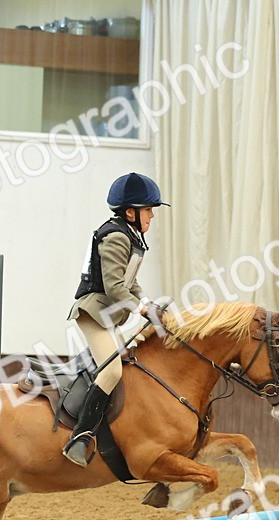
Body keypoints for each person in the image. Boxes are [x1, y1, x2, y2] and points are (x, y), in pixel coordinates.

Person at [62, 172, 168, 467]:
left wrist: (147, 302)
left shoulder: (130, 236)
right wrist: (142, 310)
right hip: (93, 313)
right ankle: (79, 438)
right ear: (131, 211)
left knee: (130, 367)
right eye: (149, 210)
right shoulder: (116, 236)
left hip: (108, 315)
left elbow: (130, 283)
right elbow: (114, 287)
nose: (152, 217)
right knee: (110, 372)